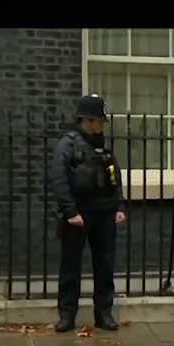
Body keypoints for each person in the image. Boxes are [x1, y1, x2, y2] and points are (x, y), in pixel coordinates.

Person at [49, 94, 126, 333]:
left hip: (104, 213)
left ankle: (104, 314)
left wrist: (120, 206)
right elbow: (58, 179)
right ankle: (67, 315)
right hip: (79, 214)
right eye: (98, 121)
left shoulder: (104, 145)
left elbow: (115, 178)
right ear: (87, 120)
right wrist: (70, 211)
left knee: (104, 265)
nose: (102, 125)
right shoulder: (67, 144)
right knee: (70, 267)